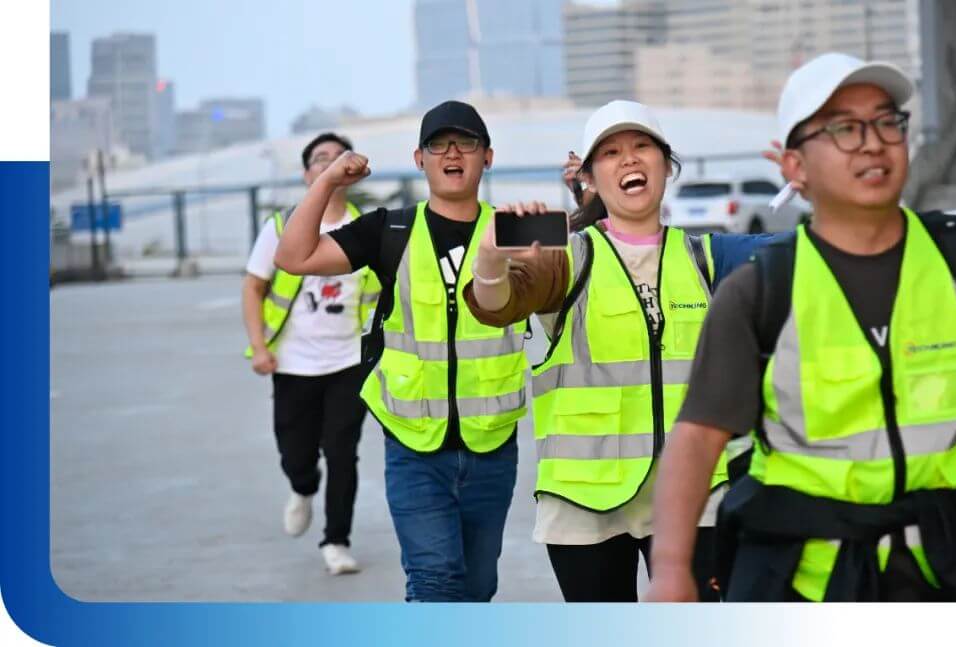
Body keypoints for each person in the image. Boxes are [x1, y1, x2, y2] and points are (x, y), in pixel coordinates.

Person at [646, 53, 956, 602]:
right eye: (844, 128)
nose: (872, 143)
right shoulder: (760, 291)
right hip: (802, 575)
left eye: (887, 122)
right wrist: (672, 569)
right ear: (795, 167)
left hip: (943, 561)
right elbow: (698, 439)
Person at [464, 100, 731, 602]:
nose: (628, 159)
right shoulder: (567, 255)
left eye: (642, 146)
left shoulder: (705, 257)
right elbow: (495, 305)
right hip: (585, 504)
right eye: (610, 153)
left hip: (694, 494)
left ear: (666, 165)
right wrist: (491, 258)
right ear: (588, 177)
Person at [273, 101, 526, 602]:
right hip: (413, 445)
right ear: (419, 158)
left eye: (466, 142)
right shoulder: (388, 229)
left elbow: (579, 268)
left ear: (488, 157)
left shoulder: (512, 230)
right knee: (435, 581)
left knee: (479, 587)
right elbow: (294, 256)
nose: (452, 153)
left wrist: (582, 198)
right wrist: (327, 182)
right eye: (438, 144)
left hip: (492, 444)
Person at [241, 132, 381, 575]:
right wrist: (259, 347)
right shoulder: (281, 227)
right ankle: (302, 487)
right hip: (293, 363)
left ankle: (336, 540)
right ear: (307, 175)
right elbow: (253, 287)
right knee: (295, 452)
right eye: (321, 158)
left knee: (342, 452)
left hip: (349, 361)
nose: (331, 162)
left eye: (339, 155)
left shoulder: (366, 227)